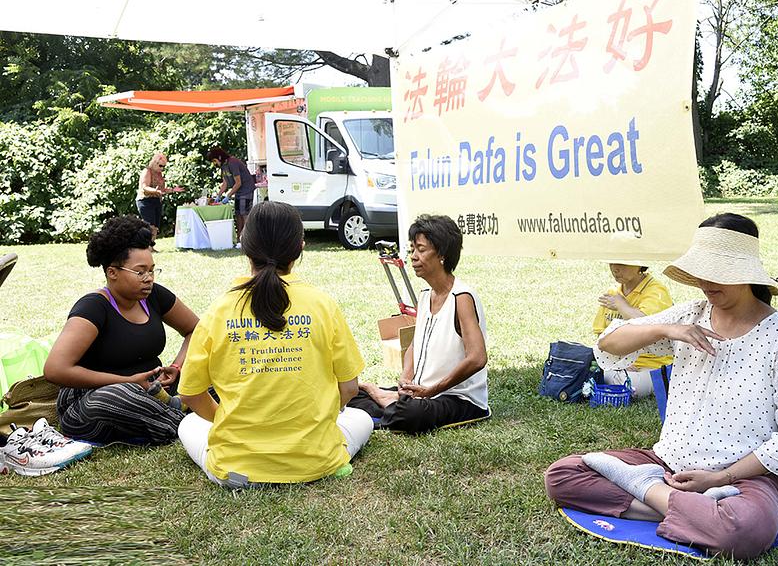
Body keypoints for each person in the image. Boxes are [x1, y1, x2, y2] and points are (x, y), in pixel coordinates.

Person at [544, 214, 778, 560]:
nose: (705, 282)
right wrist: (666, 330)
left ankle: (649, 492)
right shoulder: (690, 315)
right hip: (667, 463)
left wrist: (720, 478)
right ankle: (675, 501)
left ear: (745, 273)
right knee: (563, 475)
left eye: (716, 272)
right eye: (701, 271)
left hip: (743, 477)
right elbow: (610, 342)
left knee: (744, 530)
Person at [176, 202, 373, 488]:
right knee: (361, 418)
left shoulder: (219, 310)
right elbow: (349, 388)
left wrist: (228, 421)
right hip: (316, 462)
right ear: (300, 247)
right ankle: (326, 458)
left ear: (244, 244)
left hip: (237, 470)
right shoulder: (322, 305)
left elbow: (191, 395)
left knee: (188, 424)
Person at [44, 216, 199, 445]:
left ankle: (181, 409)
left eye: (152, 270)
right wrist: (125, 381)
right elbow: (55, 369)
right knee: (118, 397)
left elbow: (197, 329)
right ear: (112, 272)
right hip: (92, 398)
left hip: (153, 388)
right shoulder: (93, 307)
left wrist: (176, 366)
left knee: (216, 369)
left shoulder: (154, 295)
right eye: (140, 272)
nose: (148, 279)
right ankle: (188, 420)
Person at [349, 215, 490, 433]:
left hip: (458, 398)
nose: (413, 257)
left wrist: (431, 390)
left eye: (421, 250)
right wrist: (406, 378)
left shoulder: (462, 297)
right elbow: (415, 345)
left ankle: (386, 401)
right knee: (353, 393)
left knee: (411, 414)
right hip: (421, 393)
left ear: (442, 254)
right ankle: (393, 402)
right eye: (412, 249)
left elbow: (477, 358)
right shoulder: (425, 296)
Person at [593, 258, 673, 398]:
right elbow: (601, 335)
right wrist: (619, 361)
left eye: (622, 263)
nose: (615, 268)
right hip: (617, 364)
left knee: (621, 383)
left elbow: (647, 325)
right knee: (582, 366)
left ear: (639, 263)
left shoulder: (656, 291)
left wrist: (621, 305)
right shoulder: (613, 293)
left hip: (650, 366)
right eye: (611, 262)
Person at [206, 146, 255, 245]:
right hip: (238, 192)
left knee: (244, 214)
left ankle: (248, 240)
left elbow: (238, 183)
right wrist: (218, 196)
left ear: (219, 157)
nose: (214, 163)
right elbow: (225, 183)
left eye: (214, 161)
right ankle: (239, 239)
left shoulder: (232, 163)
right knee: (238, 214)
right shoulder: (223, 166)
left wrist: (228, 195)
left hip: (246, 190)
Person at [135, 152, 183, 244]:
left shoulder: (159, 173)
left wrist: (173, 190)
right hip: (145, 200)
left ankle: (151, 246)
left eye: (164, 166)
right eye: (161, 166)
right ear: (155, 163)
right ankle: (146, 246)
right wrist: (155, 191)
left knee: (156, 226)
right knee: (150, 225)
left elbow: (162, 190)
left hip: (156, 200)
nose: (162, 168)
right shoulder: (147, 171)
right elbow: (144, 187)